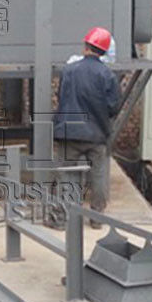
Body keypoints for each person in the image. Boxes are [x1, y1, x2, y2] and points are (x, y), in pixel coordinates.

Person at [53, 26, 121, 228]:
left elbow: (61, 96)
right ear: (104, 51)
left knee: (66, 175)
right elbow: (113, 107)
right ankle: (97, 219)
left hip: (69, 133)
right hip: (96, 135)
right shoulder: (107, 75)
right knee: (98, 176)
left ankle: (62, 219)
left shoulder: (69, 70)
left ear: (86, 47)